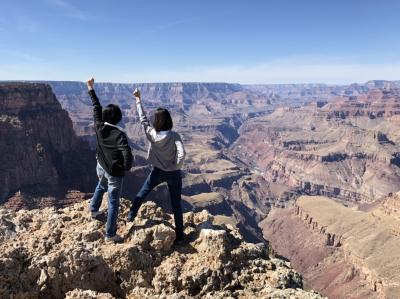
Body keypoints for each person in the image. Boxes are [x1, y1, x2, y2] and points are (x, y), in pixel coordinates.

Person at [128, 88, 186, 244]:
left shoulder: (152, 134)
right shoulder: (175, 136)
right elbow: (182, 153)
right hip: (173, 173)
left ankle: (131, 215)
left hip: (157, 171)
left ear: (157, 121)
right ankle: (180, 236)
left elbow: (143, 119)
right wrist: (176, 166)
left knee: (144, 191)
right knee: (176, 204)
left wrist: (138, 99)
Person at [87, 78, 133, 243]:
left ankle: (93, 209)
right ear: (119, 118)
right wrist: (126, 167)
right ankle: (110, 234)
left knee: (101, 185)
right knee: (113, 202)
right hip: (114, 171)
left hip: (101, 165)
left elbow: (96, 107)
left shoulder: (99, 126)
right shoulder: (119, 134)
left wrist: (90, 88)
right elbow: (126, 152)